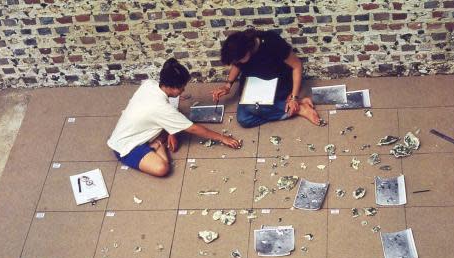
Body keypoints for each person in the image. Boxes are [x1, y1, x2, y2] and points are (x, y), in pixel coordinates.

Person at [107, 58, 241, 177]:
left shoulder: (150, 84)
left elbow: (170, 106)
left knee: (175, 115)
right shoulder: (162, 109)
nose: (183, 91)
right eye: (181, 88)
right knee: (162, 168)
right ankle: (158, 143)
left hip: (136, 130)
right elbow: (193, 129)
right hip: (126, 147)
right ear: (171, 87)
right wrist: (223, 138)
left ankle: (160, 138)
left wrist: (172, 131)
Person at [212, 29, 321, 128]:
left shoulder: (272, 42)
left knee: (251, 108)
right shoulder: (241, 44)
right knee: (244, 120)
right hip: (254, 85)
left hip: (277, 83)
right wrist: (228, 85)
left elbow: (297, 66)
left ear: (248, 50)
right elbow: (237, 65)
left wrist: (293, 97)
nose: (238, 63)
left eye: (239, 60)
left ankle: (300, 109)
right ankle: (292, 106)